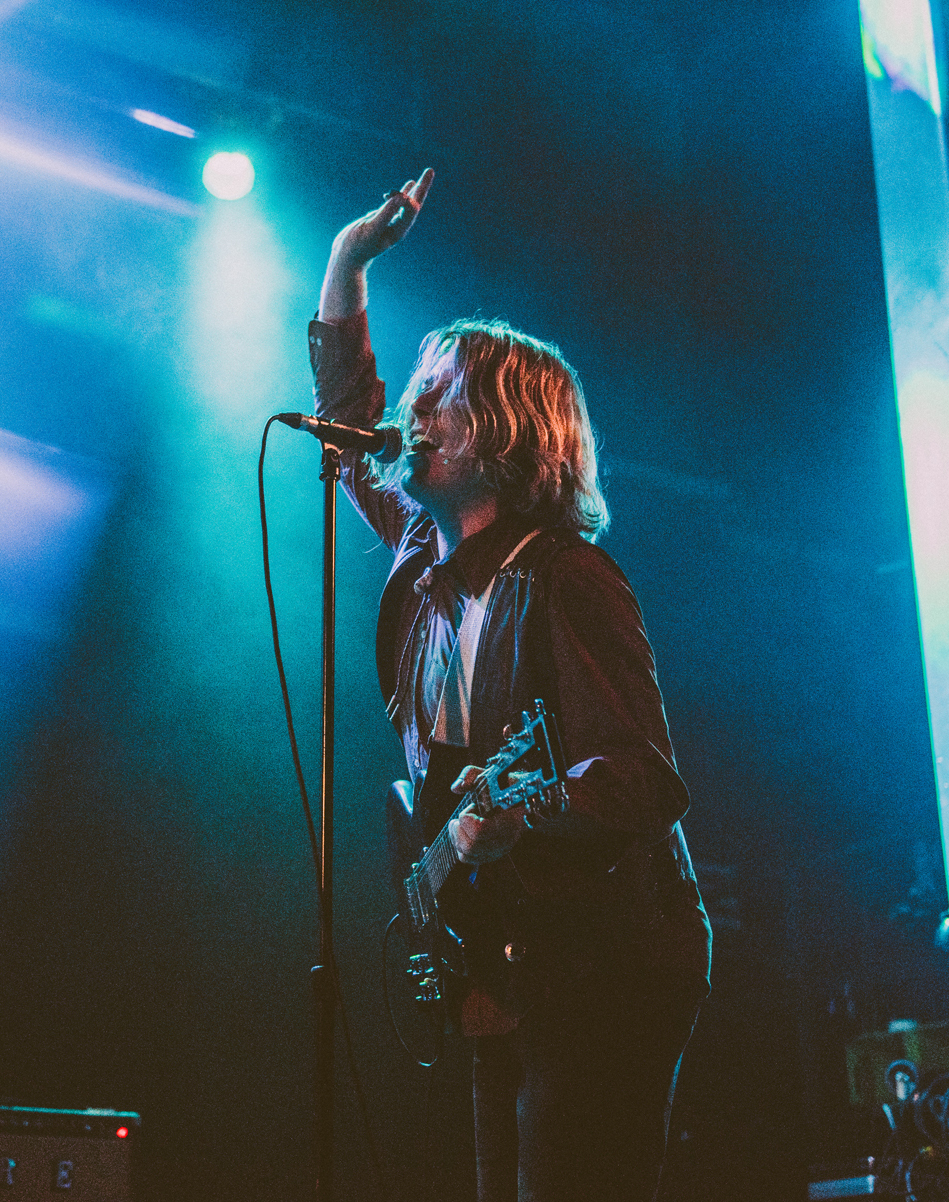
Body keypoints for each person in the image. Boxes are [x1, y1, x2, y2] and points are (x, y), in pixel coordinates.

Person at [310, 169, 710, 1201]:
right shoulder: (417, 551)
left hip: (606, 960)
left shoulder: (568, 577)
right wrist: (347, 265)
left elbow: (639, 778)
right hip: (504, 949)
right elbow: (350, 423)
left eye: (437, 390)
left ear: (499, 426)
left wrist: (517, 816)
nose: (412, 405)